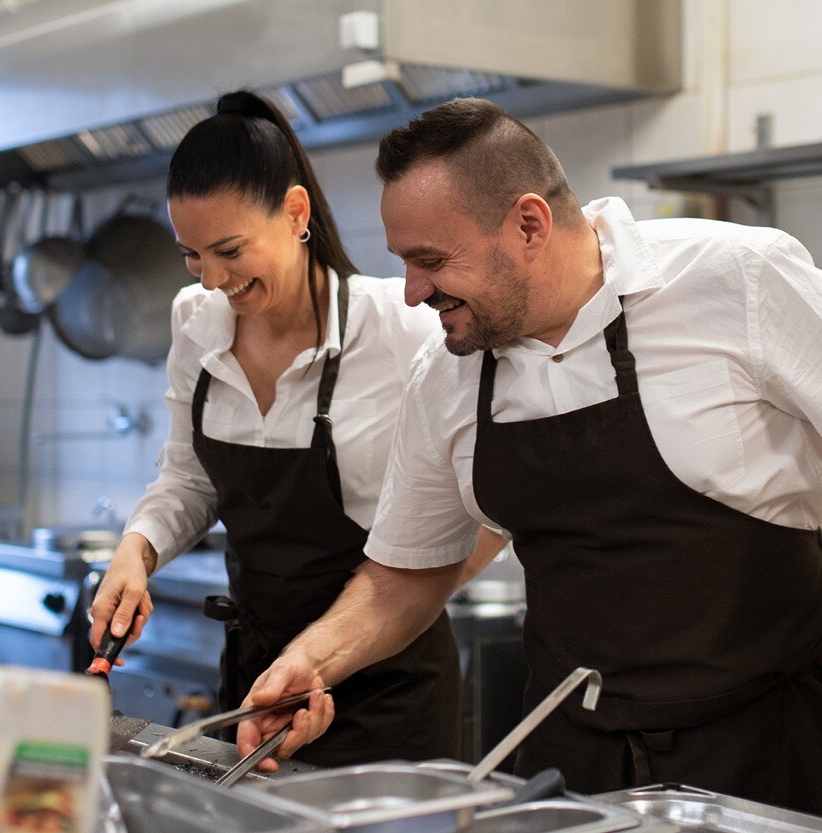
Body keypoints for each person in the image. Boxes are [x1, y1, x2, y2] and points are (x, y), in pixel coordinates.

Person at [238, 97, 822, 813]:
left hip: (767, 755)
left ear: (527, 224)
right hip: (571, 768)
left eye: (431, 261)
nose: (414, 291)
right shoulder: (447, 372)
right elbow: (403, 577)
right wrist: (309, 662)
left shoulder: (738, 279)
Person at [88, 89, 466, 767]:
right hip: (257, 688)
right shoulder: (194, 324)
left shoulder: (398, 328)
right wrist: (136, 550)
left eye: (229, 250)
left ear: (295, 213)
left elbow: (480, 501)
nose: (211, 280)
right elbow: (186, 477)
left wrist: (405, 597)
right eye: (192, 256)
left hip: (387, 689)